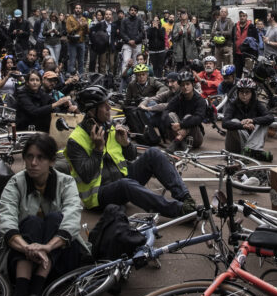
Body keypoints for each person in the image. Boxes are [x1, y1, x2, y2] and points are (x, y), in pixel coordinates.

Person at [0, 133, 86, 296]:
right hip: (21, 258)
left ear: (51, 161)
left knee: (55, 218)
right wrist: (27, 247)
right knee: (32, 222)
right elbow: (6, 218)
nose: (33, 163)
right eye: (29, 156)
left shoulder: (66, 182)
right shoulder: (16, 183)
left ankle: (34, 295)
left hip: (59, 259)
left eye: (40, 158)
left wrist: (48, 246)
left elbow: (72, 216)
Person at [65, 86, 195, 216]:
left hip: (122, 183)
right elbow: (86, 176)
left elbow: (132, 156)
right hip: (98, 196)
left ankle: (187, 200)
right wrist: (98, 149)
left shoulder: (109, 127)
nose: (109, 108)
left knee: (154, 153)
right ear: (92, 111)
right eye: (104, 105)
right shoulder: (75, 141)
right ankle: (179, 210)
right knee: (125, 184)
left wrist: (126, 144)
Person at [221, 78, 274, 160]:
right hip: (235, 147)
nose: (244, 95)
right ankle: (254, 152)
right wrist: (242, 125)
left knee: (264, 122)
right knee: (234, 121)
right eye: (242, 92)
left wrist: (253, 120)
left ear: (252, 93)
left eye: (247, 92)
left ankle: (250, 151)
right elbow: (224, 123)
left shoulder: (257, 104)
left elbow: (270, 117)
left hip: (249, 143)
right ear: (238, 93)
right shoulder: (232, 104)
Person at [164, 70, 209, 151]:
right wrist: (173, 125)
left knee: (189, 117)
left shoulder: (200, 100)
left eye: (188, 84)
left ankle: (177, 141)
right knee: (170, 115)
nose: (185, 87)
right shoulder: (178, 98)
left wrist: (181, 125)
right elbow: (166, 111)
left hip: (195, 137)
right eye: (182, 85)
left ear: (193, 84)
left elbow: (199, 118)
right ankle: (182, 142)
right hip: (177, 131)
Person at [118, 5, 146, 73]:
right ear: (129, 11)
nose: (133, 12)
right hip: (127, 44)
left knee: (137, 62)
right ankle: (124, 79)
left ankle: (135, 79)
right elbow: (122, 32)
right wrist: (129, 41)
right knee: (126, 61)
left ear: (137, 12)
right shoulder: (124, 20)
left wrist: (135, 41)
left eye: (135, 10)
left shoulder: (139, 20)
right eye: (132, 10)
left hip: (137, 44)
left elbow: (142, 32)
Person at [64, 4, 87, 75]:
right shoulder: (69, 18)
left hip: (81, 42)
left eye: (79, 8)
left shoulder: (83, 19)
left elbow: (86, 32)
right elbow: (69, 31)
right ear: (74, 10)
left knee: (81, 61)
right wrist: (78, 25)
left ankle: (81, 77)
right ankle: (70, 77)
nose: (78, 9)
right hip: (72, 42)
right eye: (77, 8)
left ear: (81, 10)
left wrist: (86, 26)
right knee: (72, 61)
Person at [88, 9, 111, 74]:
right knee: (92, 61)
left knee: (102, 63)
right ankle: (91, 76)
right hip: (93, 45)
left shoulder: (105, 24)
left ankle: (101, 78)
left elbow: (106, 35)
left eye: (100, 15)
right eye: (97, 15)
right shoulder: (92, 23)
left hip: (102, 46)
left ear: (102, 16)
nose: (99, 16)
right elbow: (90, 33)